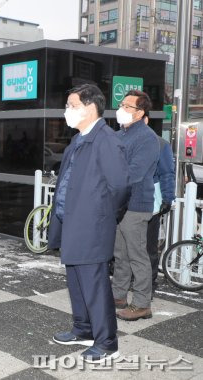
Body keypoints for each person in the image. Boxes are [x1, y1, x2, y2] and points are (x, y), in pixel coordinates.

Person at [48, 84, 129, 363]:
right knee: (76, 282)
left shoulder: (105, 139)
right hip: (71, 223)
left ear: (89, 107)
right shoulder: (78, 139)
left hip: (91, 225)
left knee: (94, 285)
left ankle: (107, 342)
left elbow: (119, 186)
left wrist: (101, 214)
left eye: (71, 105)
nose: (67, 111)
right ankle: (83, 328)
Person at [112, 90, 160, 322]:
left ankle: (142, 303)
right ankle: (118, 295)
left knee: (136, 255)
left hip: (136, 204)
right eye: (121, 104)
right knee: (120, 254)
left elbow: (135, 173)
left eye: (127, 106)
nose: (121, 109)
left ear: (140, 113)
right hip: (120, 204)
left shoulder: (147, 138)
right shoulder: (121, 134)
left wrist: (109, 181)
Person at [145, 121, 175, 297]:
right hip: (125, 203)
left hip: (151, 204)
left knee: (149, 246)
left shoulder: (160, 143)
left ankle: (149, 283)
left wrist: (167, 198)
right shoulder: (120, 139)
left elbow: (167, 173)